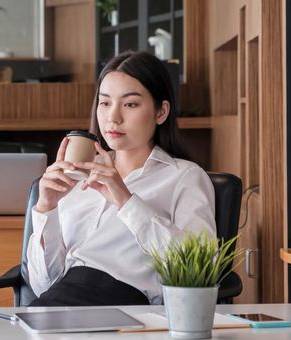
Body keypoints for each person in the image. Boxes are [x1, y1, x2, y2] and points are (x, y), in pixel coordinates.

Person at [26, 51, 216, 306]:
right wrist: (46, 209)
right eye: (105, 103)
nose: (113, 117)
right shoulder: (76, 179)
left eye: (130, 104)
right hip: (58, 304)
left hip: (128, 311)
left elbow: (200, 269)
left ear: (161, 112)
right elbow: (43, 286)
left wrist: (127, 201)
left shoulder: (185, 177)